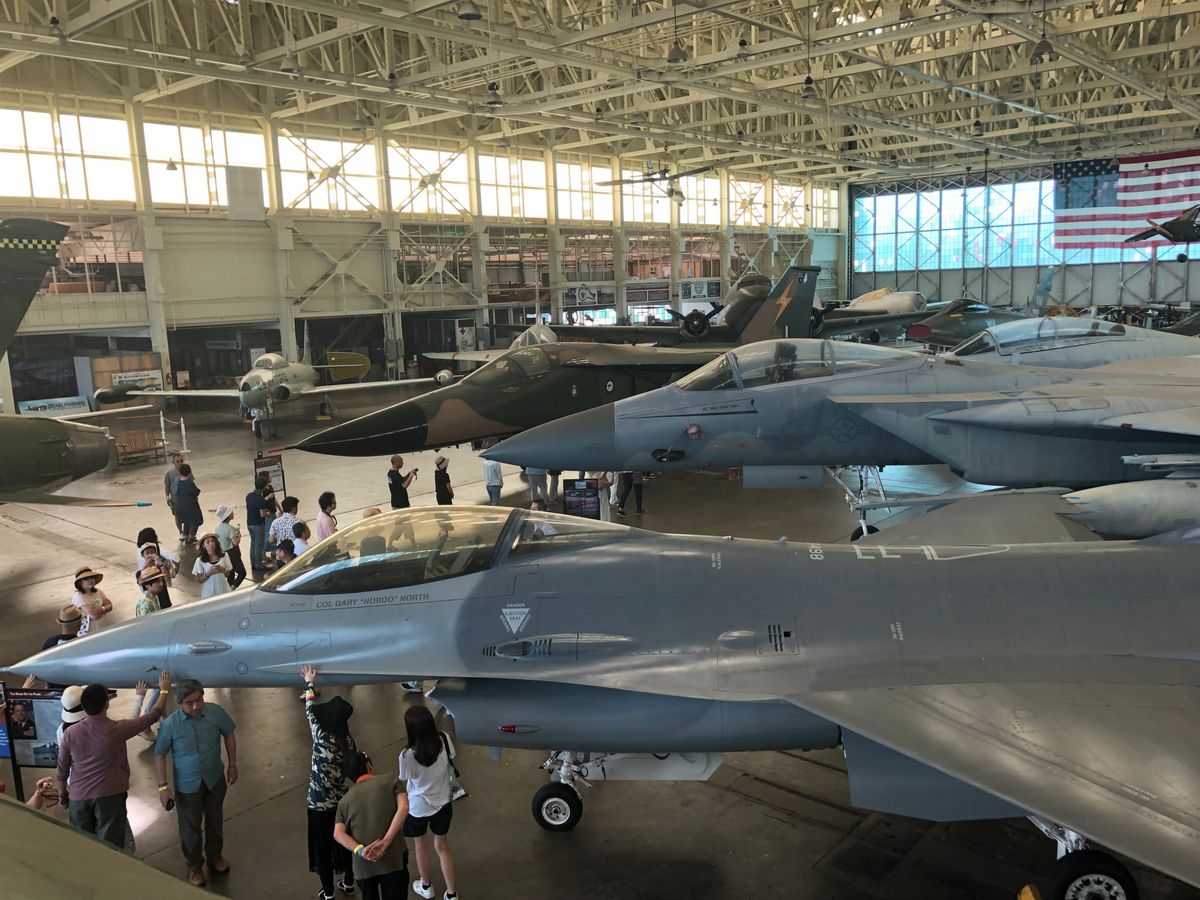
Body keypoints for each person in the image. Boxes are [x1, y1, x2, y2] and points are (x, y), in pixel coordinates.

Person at [56, 671, 171, 849]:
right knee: (110, 848)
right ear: (107, 704)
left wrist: (63, 794)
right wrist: (164, 691)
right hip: (110, 797)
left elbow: (62, 769)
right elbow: (153, 716)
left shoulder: (69, 734)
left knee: (83, 847)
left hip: (78, 799)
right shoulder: (116, 729)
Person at [155, 679, 238, 887]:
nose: (196, 706)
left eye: (199, 700)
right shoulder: (170, 725)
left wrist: (232, 764)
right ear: (179, 703)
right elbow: (159, 754)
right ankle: (194, 867)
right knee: (190, 827)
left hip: (214, 778)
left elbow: (229, 734)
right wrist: (163, 787)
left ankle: (215, 856)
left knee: (215, 820)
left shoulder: (215, 713)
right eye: (189, 703)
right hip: (188, 785)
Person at [300, 665, 357, 900]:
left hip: (318, 805)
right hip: (342, 805)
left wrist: (309, 682)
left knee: (321, 849)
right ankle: (349, 883)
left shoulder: (320, 736)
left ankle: (328, 893)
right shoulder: (348, 743)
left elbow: (309, 708)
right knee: (345, 844)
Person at [399, 706, 458, 900]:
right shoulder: (444, 740)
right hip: (443, 801)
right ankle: (451, 893)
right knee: (442, 846)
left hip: (418, 807)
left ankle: (426, 885)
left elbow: (405, 778)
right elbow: (451, 759)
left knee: (420, 845)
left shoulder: (406, 756)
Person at [335, 751, 410, 900]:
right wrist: (386, 841)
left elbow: (338, 833)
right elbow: (404, 807)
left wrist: (360, 850)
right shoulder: (391, 781)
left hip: (364, 866)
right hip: (394, 860)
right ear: (369, 765)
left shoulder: (344, 802)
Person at [132, 565, 169, 740]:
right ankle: (146, 721)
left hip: (156, 647)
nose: (161, 583)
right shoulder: (146, 604)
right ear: (147, 585)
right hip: (151, 650)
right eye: (157, 581)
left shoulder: (154, 599)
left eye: (161, 580)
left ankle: (160, 716)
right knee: (159, 685)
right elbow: (148, 630)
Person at [72, 566, 112, 636]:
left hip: (104, 628)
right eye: (86, 578)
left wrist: (100, 610)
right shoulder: (78, 596)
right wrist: (104, 609)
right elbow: (93, 615)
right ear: (79, 582)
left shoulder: (98, 591)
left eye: (92, 577)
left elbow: (110, 606)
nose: (90, 580)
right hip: (90, 633)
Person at [137, 542, 176, 609]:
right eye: (147, 553)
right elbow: (140, 582)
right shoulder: (141, 571)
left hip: (164, 601)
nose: (150, 555)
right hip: (150, 603)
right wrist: (146, 564)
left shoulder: (160, 567)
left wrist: (160, 562)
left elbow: (167, 578)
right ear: (143, 555)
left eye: (152, 552)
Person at [245, 475, 272, 575]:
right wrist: (267, 513)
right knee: (258, 545)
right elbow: (262, 514)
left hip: (249, 523)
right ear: (264, 487)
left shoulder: (249, 496)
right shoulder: (260, 499)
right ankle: (258, 565)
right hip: (258, 524)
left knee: (253, 544)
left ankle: (253, 563)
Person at [192, 533, 232, 599]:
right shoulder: (200, 560)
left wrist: (223, 570)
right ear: (203, 545)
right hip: (208, 593)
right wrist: (209, 573)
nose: (211, 544)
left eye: (213, 541)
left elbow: (228, 575)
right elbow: (200, 580)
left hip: (223, 590)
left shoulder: (224, 556)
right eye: (208, 542)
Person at [214, 506, 246, 589]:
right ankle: (231, 590)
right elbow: (235, 542)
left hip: (223, 552)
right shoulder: (230, 528)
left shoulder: (217, 528)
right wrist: (238, 535)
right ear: (227, 516)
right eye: (231, 513)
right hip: (232, 553)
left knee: (231, 573)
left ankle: (228, 590)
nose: (233, 514)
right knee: (242, 573)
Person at [174, 464, 203, 543]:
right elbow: (196, 492)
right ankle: (191, 537)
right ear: (190, 471)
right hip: (191, 505)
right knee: (195, 520)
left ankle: (185, 534)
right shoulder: (189, 483)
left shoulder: (178, 482)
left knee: (187, 521)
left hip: (180, 505)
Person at [164, 453, 186, 541]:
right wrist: (167, 497)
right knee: (178, 516)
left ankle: (187, 531)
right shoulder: (169, 474)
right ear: (173, 462)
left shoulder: (187, 471)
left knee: (188, 515)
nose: (180, 463)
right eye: (178, 461)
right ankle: (181, 531)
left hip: (186, 498)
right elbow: (167, 486)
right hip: (175, 499)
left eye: (181, 461)